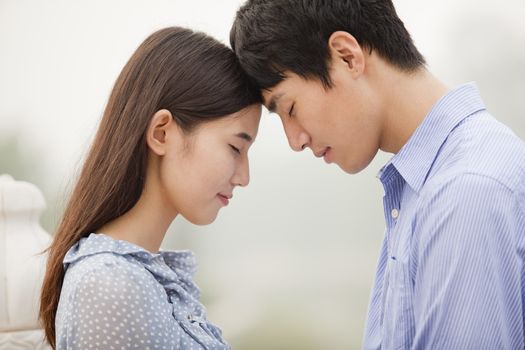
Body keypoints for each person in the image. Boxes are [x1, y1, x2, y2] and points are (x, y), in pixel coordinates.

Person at [230, 1, 525, 348]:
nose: (295, 140)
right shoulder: (424, 183)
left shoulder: (464, 191)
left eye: (290, 108)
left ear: (346, 56)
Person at [39, 26, 261, 350]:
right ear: (161, 134)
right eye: (234, 148)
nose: (244, 176)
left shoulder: (140, 280)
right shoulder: (109, 287)